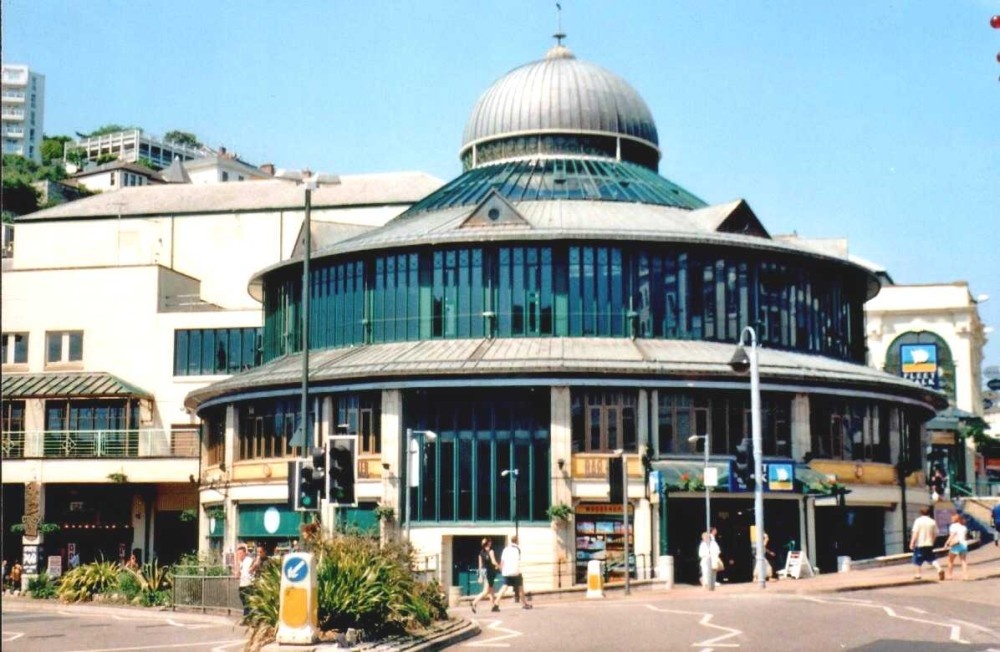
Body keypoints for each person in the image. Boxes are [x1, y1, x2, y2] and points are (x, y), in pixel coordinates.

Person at [910, 506, 944, 581]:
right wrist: (932, 542)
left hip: (920, 543)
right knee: (931, 558)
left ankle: (918, 575)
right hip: (929, 543)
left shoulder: (918, 521)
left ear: (920, 512)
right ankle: (939, 568)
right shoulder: (932, 521)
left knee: (917, 559)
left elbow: (915, 532)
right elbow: (936, 534)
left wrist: (912, 542)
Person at [499, 535, 532, 610]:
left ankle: (496, 604)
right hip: (515, 572)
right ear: (517, 541)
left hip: (506, 572)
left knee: (504, 587)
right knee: (520, 587)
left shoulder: (505, 549)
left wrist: (502, 570)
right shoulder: (518, 549)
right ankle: (524, 604)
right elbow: (517, 561)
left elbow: (502, 562)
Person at [470, 537, 499, 614]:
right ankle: (474, 603)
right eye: (490, 541)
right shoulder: (491, 551)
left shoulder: (480, 553)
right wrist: (499, 566)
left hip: (486, 572)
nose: (491, 543)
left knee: (491, 589)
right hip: (490, 573)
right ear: (489, 543)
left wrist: (480, 576)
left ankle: (494, 606)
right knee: (486, 591)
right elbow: (493, 562)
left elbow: (480, 565)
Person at [944, 513, 969, 580]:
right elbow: (964, 537)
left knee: (950, 560)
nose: (951, 519)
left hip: (956, 545)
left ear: (955, 519)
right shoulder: (964, 527)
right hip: (963, 545)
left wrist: (947, 543)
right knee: (963, 561)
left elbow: (952, 535)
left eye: (952, 518)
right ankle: (965, 576)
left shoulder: (953, 526)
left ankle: (950, 575)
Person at [234, 543, 255, 617]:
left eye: (240, 553)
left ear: (244, 553)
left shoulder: (249, 560)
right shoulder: (241, 562)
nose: (239, 555)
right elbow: (238, 574)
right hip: (242, 584)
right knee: (244, 600)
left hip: (248, 584)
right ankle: (247, 616)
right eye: (238, 553)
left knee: (247, 602)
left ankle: (247, 616)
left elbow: (252, 570)